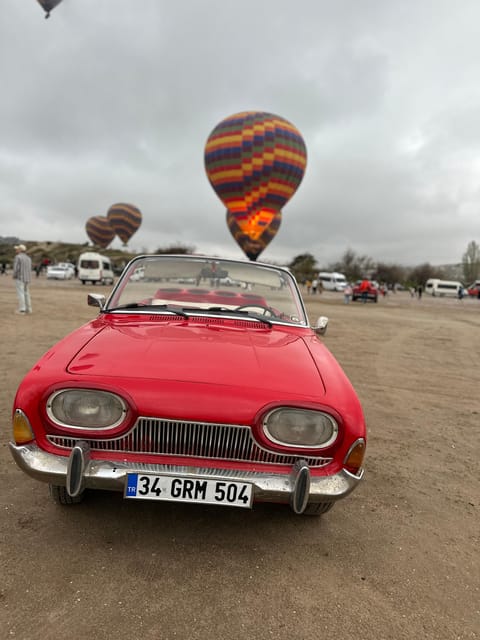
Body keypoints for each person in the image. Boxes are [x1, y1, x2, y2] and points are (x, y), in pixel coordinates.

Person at [13, 244, 32, 314]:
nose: (16, 250)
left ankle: (22, 310)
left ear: (20, 250)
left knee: (20, 293)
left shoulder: (18, 257)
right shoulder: (28, 258)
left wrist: (14, 275)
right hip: (27, 278)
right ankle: (28, 309)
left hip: (20, 277)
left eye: (17, 249)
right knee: (26, 293)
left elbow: (16, 268)